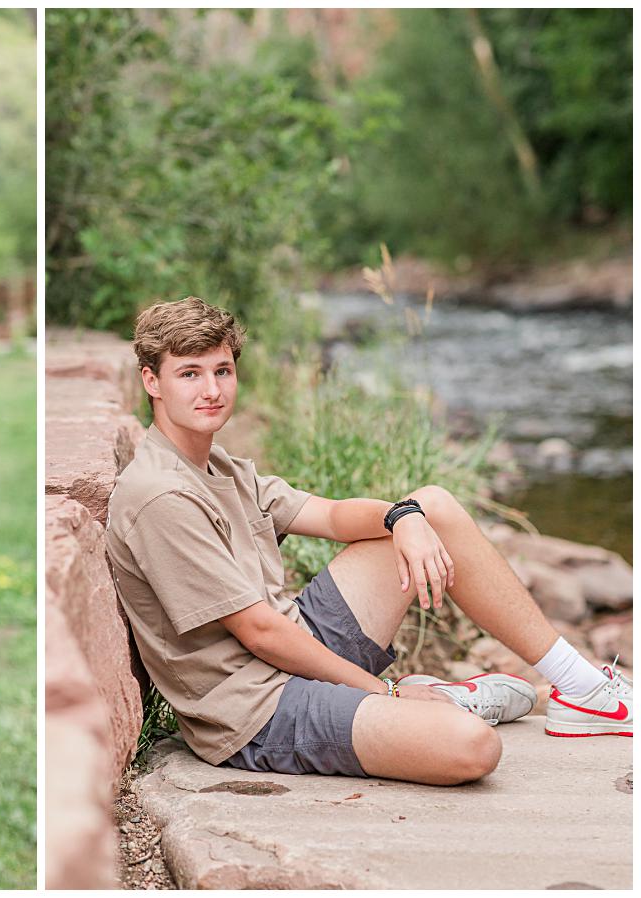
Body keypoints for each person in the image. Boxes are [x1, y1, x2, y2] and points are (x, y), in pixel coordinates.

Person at [105, 296, 631, 786]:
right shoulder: (161, 495)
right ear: (152, 382)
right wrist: (388, 692)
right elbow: (260, 633)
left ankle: (582, 688)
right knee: (472, 747)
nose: (212, 390)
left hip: (297, 642)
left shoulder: (218, 465)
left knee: (432, 507)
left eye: (222, 371)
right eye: (190, 374)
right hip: (255, 709)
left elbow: (332, 516)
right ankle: (436, 705)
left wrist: (402, 517)